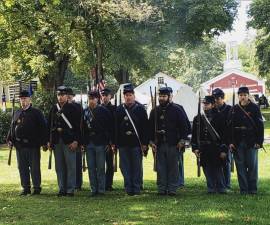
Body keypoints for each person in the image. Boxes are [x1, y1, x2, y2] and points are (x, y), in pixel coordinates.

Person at [149, 87, 190, 196]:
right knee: (160, 167)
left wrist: (182, 140)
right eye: (160, 96)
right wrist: (151, 142)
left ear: (169, 97)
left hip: (173, 144)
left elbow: (185, 127)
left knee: (173, 167)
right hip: (160, 144)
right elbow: (149, 128)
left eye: (164, 96)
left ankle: (172, 188)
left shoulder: (177, 109)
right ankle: (162, 188)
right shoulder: (155, 111)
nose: (161, 98)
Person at [7, 90, 47, 196]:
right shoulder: (17, 112)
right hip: (19, 145)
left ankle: (37, 188)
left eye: (25, 98)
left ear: (30, 99)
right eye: (21, 99)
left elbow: (43, 128)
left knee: (34, 168)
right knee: (22, 168)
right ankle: (26, 188)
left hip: (33, 145)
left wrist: (44, 142)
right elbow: (12, 127)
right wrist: (10, 139)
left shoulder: (36, 112)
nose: (23, 100)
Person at [228, 87, 264, 194]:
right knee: (240, 166)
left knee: (252, 166)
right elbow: (229, 127)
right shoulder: (234, 109)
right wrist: (231, 142)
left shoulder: (254, 108)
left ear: (248, 95)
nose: (242, 97)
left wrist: (259, 142)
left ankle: (252, 189)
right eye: (240, 95)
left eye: (244, 95)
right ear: (238, 96)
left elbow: (260, 126)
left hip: (251, 141)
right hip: (238, 142)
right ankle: (243, 189)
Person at [114, 83, 149, 196]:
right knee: (124, 167)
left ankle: (137, 187)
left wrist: (144, 143)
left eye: (130, 95)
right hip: (123, 143)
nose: (128, 97)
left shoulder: (140, 109)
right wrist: (115, 143)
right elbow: (115, 128)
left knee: (136, 167)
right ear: (124, 97)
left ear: (134, 96)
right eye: (126, 95)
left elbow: (145, 128)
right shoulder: (119, 110)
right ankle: (128, 188)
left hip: (136, 143)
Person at [47, 86, 80, 197]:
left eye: (62, 95)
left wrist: (76, 140)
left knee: (70, 166)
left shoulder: (73, 108)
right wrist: (49, 141)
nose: (60, 97)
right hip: (57, 141)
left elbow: (78, 127)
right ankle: (62, 188)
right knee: (59, 166)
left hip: (69, 141)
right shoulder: (54, 109)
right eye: (59, 95)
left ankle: (70, 189)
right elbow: (49, 125)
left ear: (67, 96)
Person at [191, 96, 228, 194]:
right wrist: (195, 148)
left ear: (213, 105)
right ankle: (211, 188)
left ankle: (221, 188)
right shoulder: (198, 118)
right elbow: (194, 135)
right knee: (206, 168)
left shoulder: (220, 117)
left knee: (217, 168)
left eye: (207, 104)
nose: (205, 106)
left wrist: (223, 150)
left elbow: (225, 135)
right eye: (204, 104)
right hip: (204, 147)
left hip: (216, 147)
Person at [82, 90, 113, 197]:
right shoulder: (85, 111)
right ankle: (93, 189)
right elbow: (83, 128)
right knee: (91, 167)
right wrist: (83, 142)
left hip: (100, 142)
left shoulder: (104, 111)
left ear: (97, 99)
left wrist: (108, 142)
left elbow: (109, 128)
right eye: (90, 98)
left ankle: (101, 189)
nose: (91, 100)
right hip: (89, 142)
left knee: (100, 167)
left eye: (93, 98)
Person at [212, 88, 232, 189]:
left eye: (218, 98)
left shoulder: (229, 109)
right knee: (216, 163)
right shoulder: (212, 110)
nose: (216, 100)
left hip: (226, 139)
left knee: (226, 163)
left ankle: (227, 184)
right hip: (215, 140)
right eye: (214, 98)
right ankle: (218, 183)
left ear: (222, 98)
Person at [66, 87, 83, 190]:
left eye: (70, 95)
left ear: (73, 96)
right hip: (65, 139)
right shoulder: (61, 107)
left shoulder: (77, 107)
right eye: (66, 95)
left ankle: (78, 184)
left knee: (77, 163)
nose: (68, 97)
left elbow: (80, 126)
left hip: (75, 138)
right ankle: (68, 183)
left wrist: (78, 140)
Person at [100, 88, 116, 191]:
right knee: (100, 165)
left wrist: (112, 142)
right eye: (103, 95)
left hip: (109, 141)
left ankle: (108, 184)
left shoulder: (114, 109)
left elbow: (114, 127)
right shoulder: (98, 108)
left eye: (106, 95)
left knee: (110, 165)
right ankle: (101, 184)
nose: (104, 97)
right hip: (99, 141)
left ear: (110, 96)